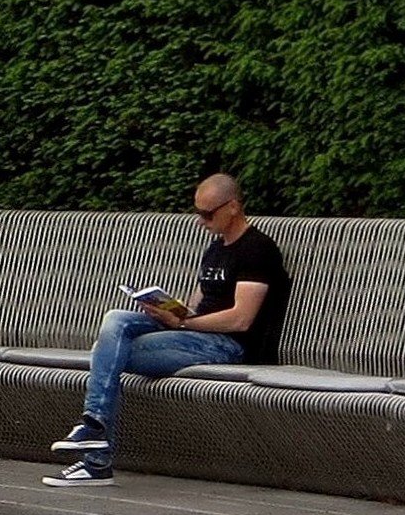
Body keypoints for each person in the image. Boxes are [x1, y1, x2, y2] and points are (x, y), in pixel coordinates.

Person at [45, 171, 293, 488]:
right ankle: (93, 428)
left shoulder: (258, 250)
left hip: (226, 345)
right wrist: (167, 311)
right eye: (198, 213)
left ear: (232, 207)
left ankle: (97, 456)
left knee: (103, 352)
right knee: (116, 320)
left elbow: (240, 319)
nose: (201, 221)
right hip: (193, 332)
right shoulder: (215, 250)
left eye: (207, 213)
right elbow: (197, 303)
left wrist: (184, 322)